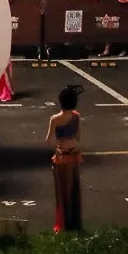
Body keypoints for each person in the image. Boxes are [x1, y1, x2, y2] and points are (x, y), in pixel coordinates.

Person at [46, 84, 83, 232]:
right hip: (74, 155)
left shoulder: (55, 118)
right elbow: (79, 137)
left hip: (61, 157)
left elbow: (48, 139)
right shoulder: (76, 116)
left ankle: (63, 225)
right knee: (74, 190)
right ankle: (74, 223)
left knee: (62, 192)